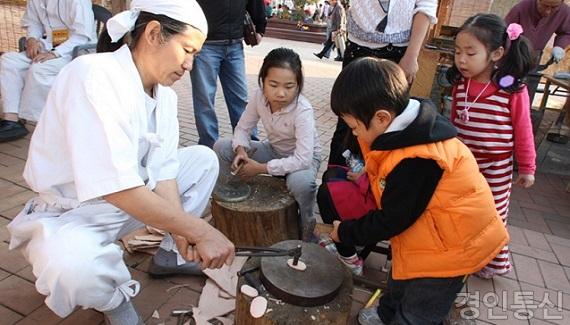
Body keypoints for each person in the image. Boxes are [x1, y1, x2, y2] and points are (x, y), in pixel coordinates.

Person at [7, 1, 235, 324]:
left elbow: (165, 171)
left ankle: (171, 253)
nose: (189, 65)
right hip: (70, 213)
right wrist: (198, 228)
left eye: (195, 55)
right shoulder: (93, 75)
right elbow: (118, 189)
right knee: (71, 266)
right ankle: (116, 305)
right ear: (154, 33)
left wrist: (183, 233)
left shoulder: (166, 99)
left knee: (203, 160)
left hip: (124, 204)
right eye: (187, 50)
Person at [324, 57, 508, 325]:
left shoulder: (416, 159)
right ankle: (386, 313)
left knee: (419, 308)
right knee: (401, 275)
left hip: (450, 251)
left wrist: (346, 232)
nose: (354, 135)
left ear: (381, 118)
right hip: (427, 235)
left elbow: (392, 220)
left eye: (354, 127)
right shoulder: (404, 130)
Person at [447, 14, 536, 279]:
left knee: (492, 215)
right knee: (460, 209)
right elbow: (453, 124)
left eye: (470, 53)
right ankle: (460, 254)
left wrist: (527, 167)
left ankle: (492, 262)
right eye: (457, 52)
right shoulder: (460, 85)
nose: (461, 59)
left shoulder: (510, 89)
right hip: (463, 163)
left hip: (496, 164)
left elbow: (523, 130)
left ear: (496, 53)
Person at [213, 48, 322, 242]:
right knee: (222, 147)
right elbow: (243, 128)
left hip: (302, 159)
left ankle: (306, 225)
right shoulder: (259, 97)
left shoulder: (302, 110)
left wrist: (261, 168)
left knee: (301, 183)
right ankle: (234, 191)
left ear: (298, 85)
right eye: (273, 85)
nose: (281, 93)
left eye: (289, 86)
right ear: (263, 81)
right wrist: (240, 150)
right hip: (274, 150)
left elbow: (303, 159)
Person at [326, 0, 438, 168]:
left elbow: (425, 7)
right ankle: (335, 182)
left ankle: (377, 179)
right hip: (359, 45)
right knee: (349, 120)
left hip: (400, 52)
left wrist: (411, 56)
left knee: (389, 123)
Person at [0, 0, 95, 142]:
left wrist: (55, 53)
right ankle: (12, 120)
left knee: (39, 68)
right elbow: (33, 22)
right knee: (9, 60)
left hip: (77, 50)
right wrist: (32, 39)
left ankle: (41, 123)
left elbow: (81, 36)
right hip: (48, 46)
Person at [190, 0, 267, 148]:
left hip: (235, 44)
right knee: (204, 100)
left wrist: (260, 28)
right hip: (205, 44)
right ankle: (210, 146)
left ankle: (248, 145)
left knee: (240, 99)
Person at [505, 0, 570, 104]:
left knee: (526, 92)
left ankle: (523, 112)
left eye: (554, 8)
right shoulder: (521, 8)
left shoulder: (564, 12)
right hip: (512, 56)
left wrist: (559, 46)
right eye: (544, 6)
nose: (548, 11)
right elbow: (505, 33)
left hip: (534, 59)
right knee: (506, 85)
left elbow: (566, 32)